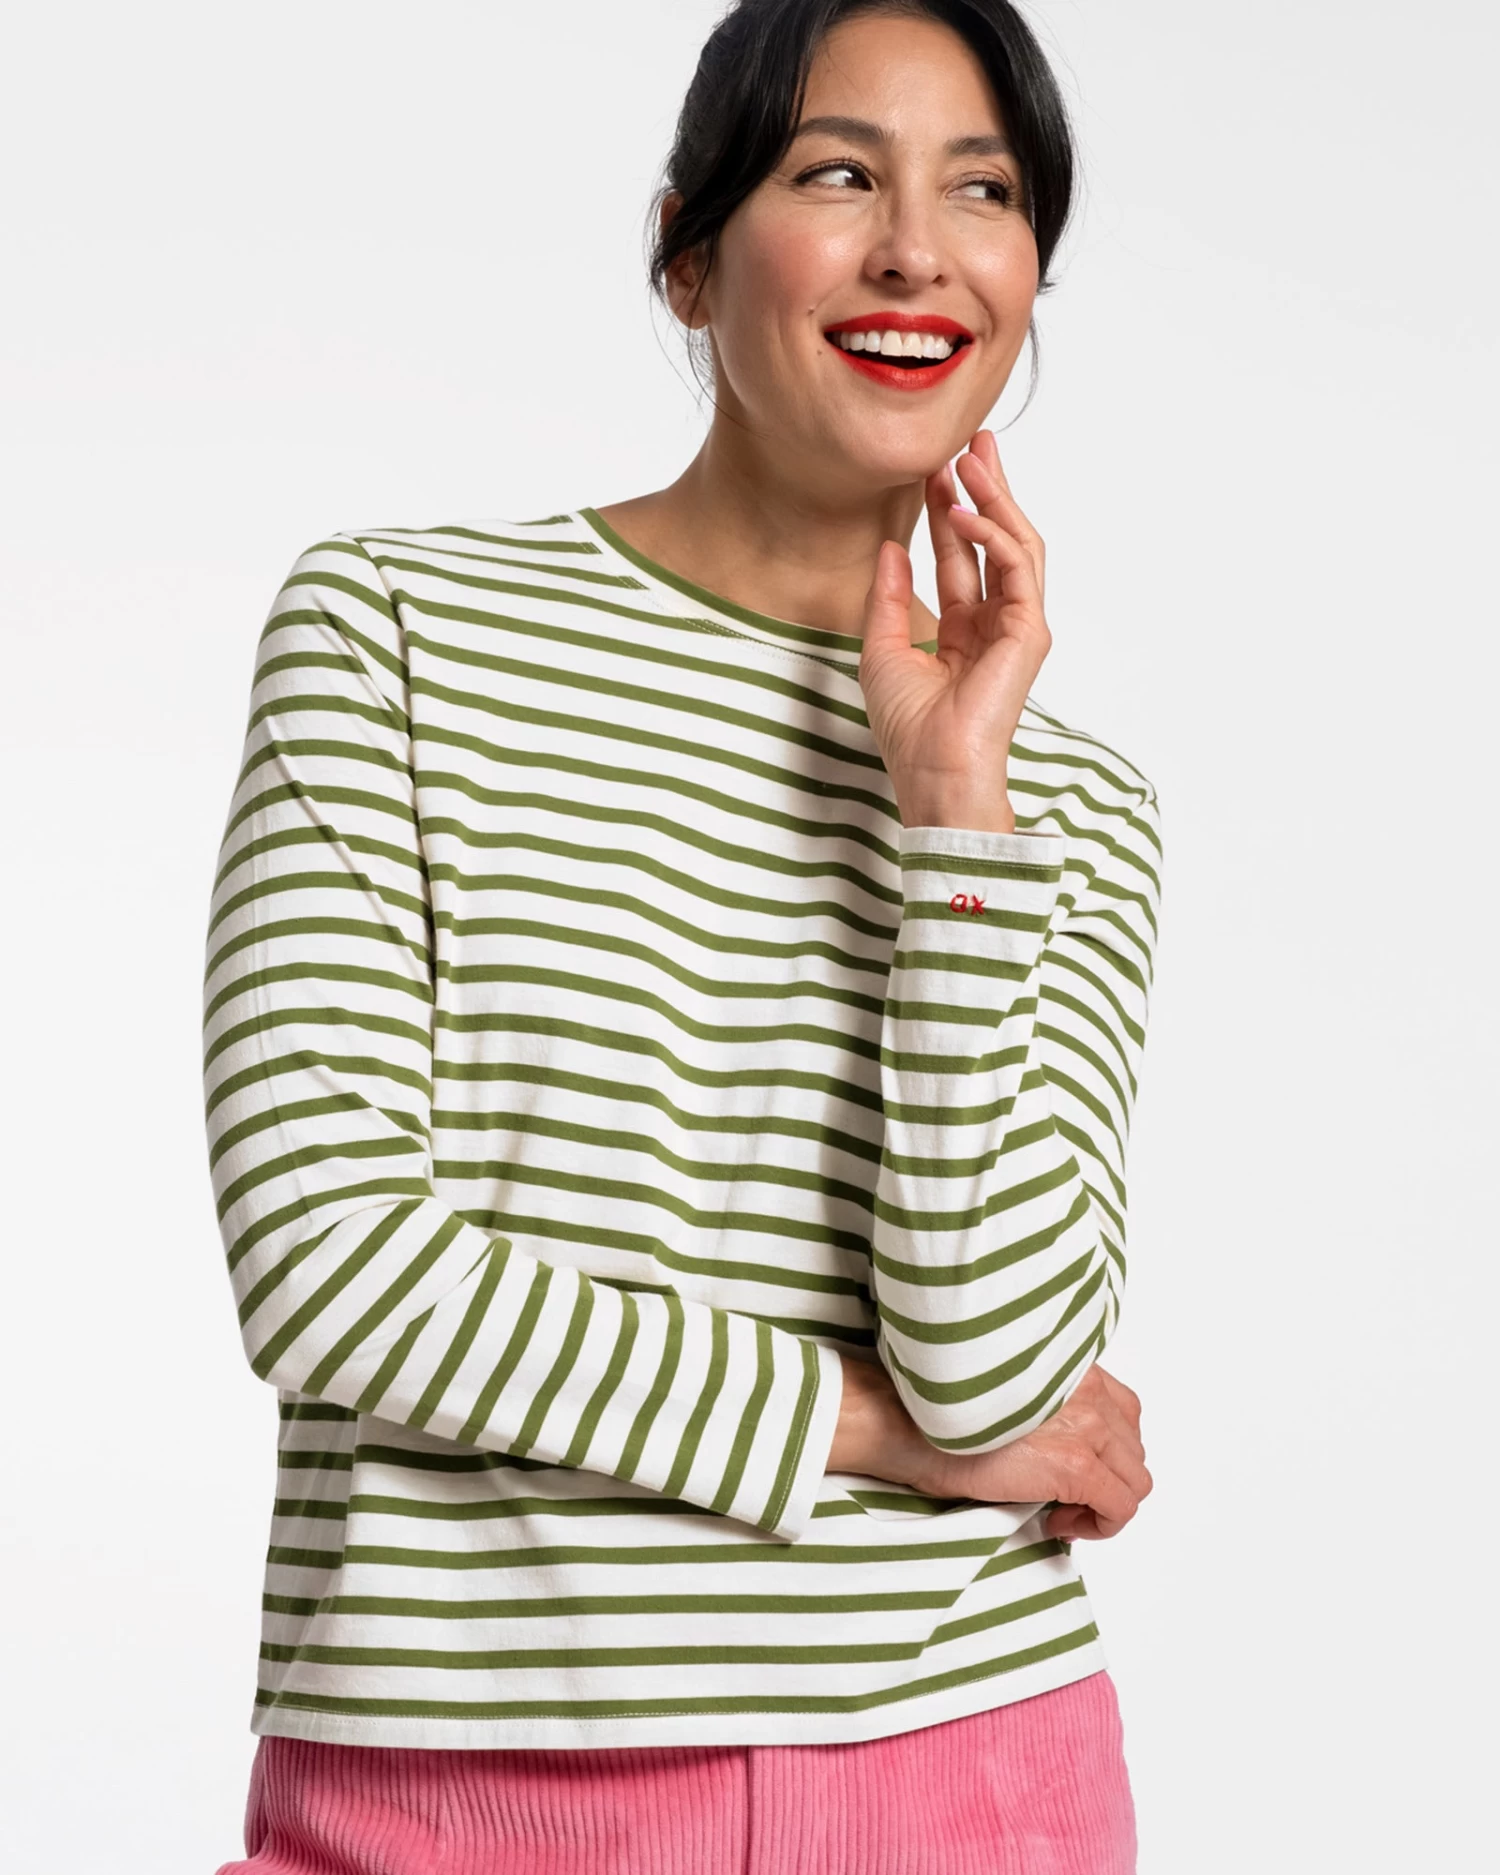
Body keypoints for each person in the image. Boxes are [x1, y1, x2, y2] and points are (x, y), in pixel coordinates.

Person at [203, 1, 1163, 1869]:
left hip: (969, 1766)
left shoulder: (1067, 804)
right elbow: (326, 1265)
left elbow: (994, 1375)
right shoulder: (399, 636)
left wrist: (956, 818)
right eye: (838, 174)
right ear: (688, 254)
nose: (917, 249)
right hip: (463, 1778)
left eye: (984, 191)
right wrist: (871, 1434)